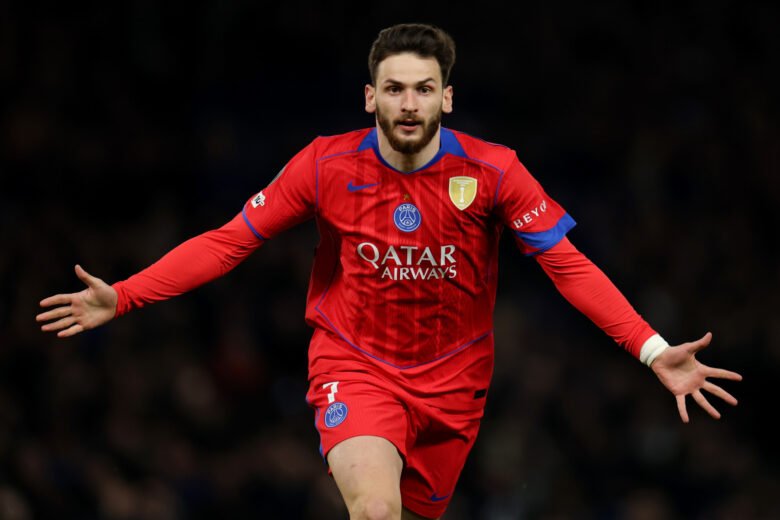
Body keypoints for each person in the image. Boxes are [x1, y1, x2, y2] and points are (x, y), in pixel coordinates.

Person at [37, 23, 742, 520]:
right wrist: (124, 296)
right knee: (374, 511)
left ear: (447, 98)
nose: (409, 103)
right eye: (395, 88)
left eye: (424, 89)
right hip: (355, 363)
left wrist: (653, 350)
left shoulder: (494, 172)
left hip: (455, 381)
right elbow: (229, 242)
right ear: (370, 97)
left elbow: (567, 266)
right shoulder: (325, 164)